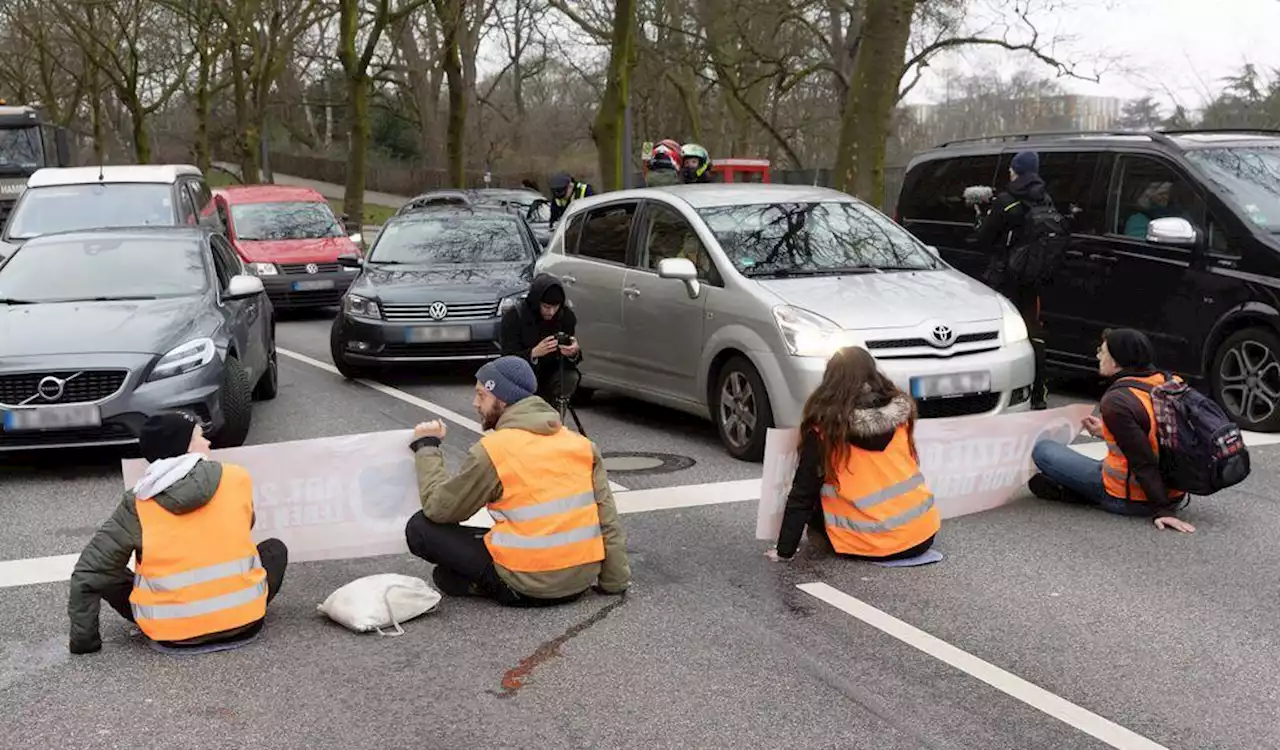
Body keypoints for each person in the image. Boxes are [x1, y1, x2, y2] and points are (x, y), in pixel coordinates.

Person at [403, 356, 631, 606]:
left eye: (481, 395)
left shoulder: (494, 449)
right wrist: (614, 582)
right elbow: (606, 517)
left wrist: (427, 447)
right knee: (447, 576)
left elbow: (439, 509)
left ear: (502, 399)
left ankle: (492, 585)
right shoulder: (581, 445)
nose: (474, 403)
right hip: (579, 583)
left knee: (420, 528)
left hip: (527, 585)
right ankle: (479, 581)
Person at [67, 412, 288, 654]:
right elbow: (246, 525)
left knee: (107, 570)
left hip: (171, 633)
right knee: (274, 549)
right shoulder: (237, 477)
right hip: (245, 623)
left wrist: (84, 643)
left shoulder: (138, 502)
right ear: (187, 447)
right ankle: (235, 613)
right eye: (200, 437)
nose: (208, 443)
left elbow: (89, 573)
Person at [766, 347, 940, 562]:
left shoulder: (825, 430)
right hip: (922, 534)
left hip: (873, 543)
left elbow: (802, 495)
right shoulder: (901, 418)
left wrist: (784, 551)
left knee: (817, 489)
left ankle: (845, 538)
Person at [1028, 328, 1195, 533]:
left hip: (1128, 497)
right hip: (1175, 493)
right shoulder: (1171, 383)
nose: (1098, 356)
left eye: (1103, 351)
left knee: (1043, 450)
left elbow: (1142, 460)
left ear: (1116, 361)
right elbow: (1156, 436)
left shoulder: (1118, 401)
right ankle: (1069, 489)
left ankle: (1076, 493)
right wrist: (1104, 431)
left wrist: (1163, 510)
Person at [973, 150, 1052, 410]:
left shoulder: (1006, 201)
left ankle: (992, 394)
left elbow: (984, 238)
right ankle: (1039, 394)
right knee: (1033, 333)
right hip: (1034, 276)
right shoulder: (1045, 199)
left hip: (1006, 277)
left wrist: (981, 216)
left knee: (1001, 335)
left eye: (1011, 168)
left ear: (1016, 170)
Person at [500, 273, 582, 403]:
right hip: (520, 377)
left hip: (551, 373)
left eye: (555, 307)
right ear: (537, 302)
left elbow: (570, 363)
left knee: (570, 377)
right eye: (546, 307)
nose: (551, 312)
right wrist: (533, 353)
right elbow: (506, 359)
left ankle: (556, 407)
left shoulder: (565, 316)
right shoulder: (515, 317)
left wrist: (573, 353)